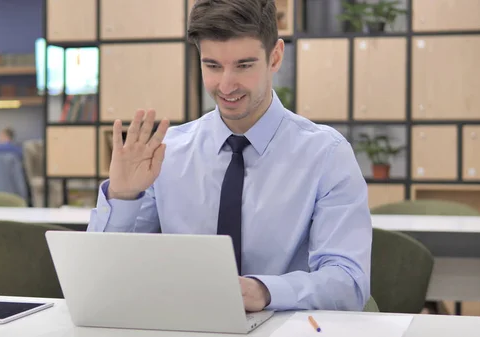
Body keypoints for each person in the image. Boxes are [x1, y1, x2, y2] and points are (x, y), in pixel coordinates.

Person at [88, 0, 372, 313]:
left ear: (275, 57)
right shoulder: (167, 153)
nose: (226, 85)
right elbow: (100, 279)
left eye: (243, 65)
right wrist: (123, 196)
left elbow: (348, 284)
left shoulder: (326, 155)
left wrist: (265, 291)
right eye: (212, 66)